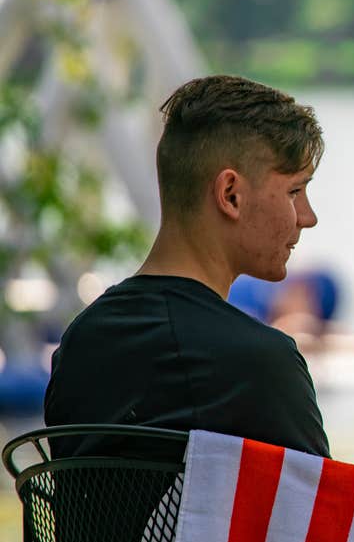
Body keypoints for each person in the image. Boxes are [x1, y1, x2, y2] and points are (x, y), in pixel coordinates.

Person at [44, 74, 330, 458]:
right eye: (295, 191)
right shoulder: (262, 364)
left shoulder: (78, 345)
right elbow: (320, 514)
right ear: (231, 195)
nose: (307, 217)